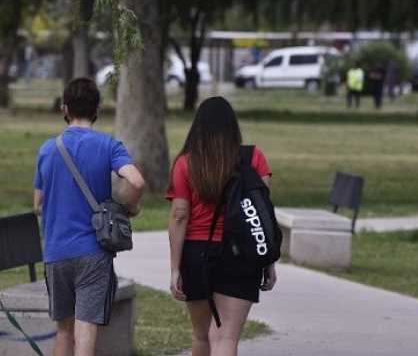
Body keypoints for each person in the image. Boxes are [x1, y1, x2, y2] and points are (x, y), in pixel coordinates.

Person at [33, 78, 145, 356]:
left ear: (64, 108)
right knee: (86, 328)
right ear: (98, 108)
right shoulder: (108, 145)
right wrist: (129, 207)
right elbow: (137, 181)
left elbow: (37, 203)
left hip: (56, 251)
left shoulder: (48, 149)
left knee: (63, 330)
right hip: (93, 252)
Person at [166, 97, 277, 356]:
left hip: (197, 255)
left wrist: (174, 269)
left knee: (201, 336)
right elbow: (263, 215)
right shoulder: (254, 158)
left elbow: (179, 215)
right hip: (243, 255)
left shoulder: (186, 163)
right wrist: (268, 261)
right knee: (226, 338)